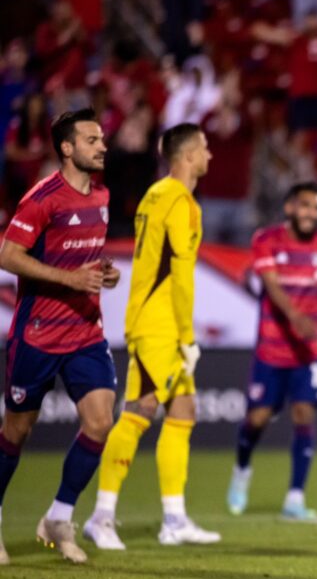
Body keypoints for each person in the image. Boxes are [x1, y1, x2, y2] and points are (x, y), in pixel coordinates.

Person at [84, 123, 220, 550]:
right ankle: (101, 516)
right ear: (187, 156)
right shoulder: (180, 201)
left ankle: (175, 519)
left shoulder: (155, 194)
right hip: (160, 326)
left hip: (153, 319)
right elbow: (179, 273)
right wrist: (186, 336)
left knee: (183, 412)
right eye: (205, 148)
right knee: (139, 413)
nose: (210, 155)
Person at [0, 108, 120, 564]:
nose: (102, 146)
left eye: (102, 138)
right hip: (39, 333)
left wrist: (101, 275)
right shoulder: (43, 197)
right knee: (17, 431)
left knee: (100, 421)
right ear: (67, 149)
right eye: (92, 140)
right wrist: (69, 280)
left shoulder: (103, 195)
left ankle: (59, 515)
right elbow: (9, 256)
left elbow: (85, 258)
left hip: (85, 331)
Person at [227, 182, 317, 520]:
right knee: (257, 419)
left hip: (308, 351)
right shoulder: (266, 240)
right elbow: (270, 285)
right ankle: (242, 470)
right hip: (272, 348)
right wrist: (295, 316)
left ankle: (295, 497)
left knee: (304, 413)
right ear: (290, 208)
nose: (311, 213)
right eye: (305, 205)